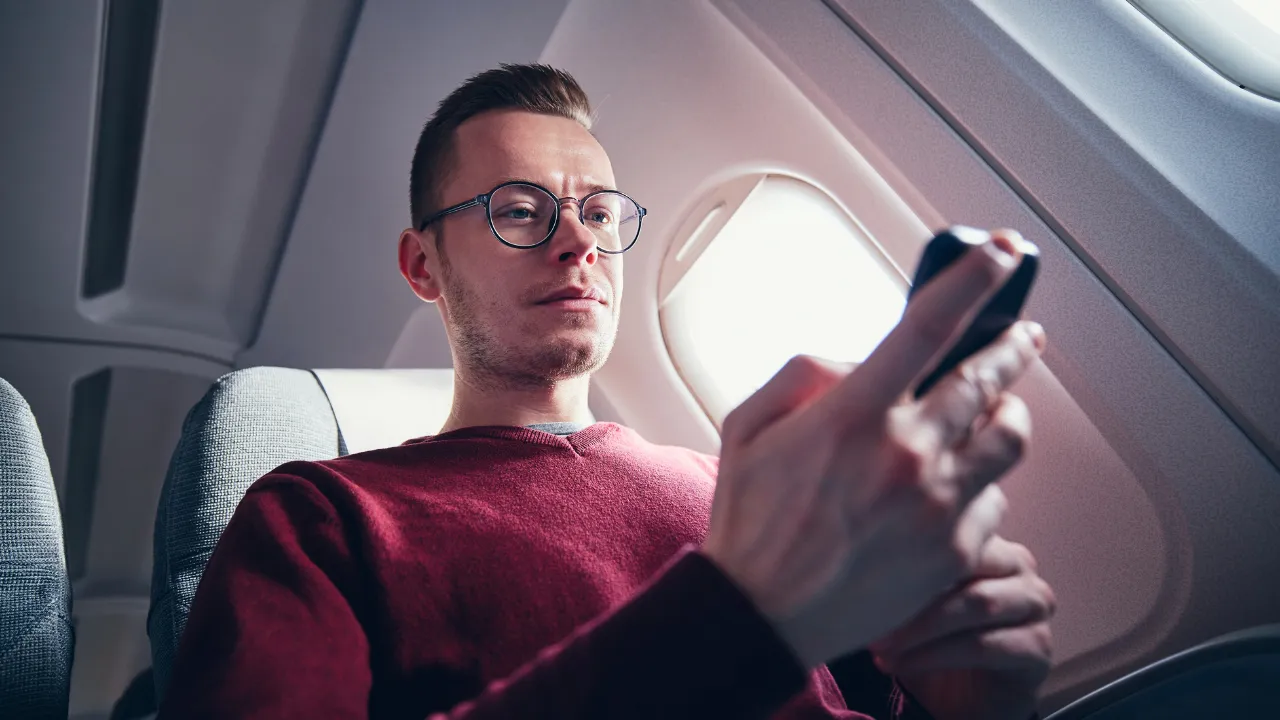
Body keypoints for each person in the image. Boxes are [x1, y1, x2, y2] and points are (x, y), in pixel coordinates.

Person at [159, 64, 1054, 720]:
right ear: (422, 265)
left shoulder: (741, 491)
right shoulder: (322, 515)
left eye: (597, 212)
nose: (577, 242)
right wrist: (735, 621)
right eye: (518, 210)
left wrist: (963, 709)